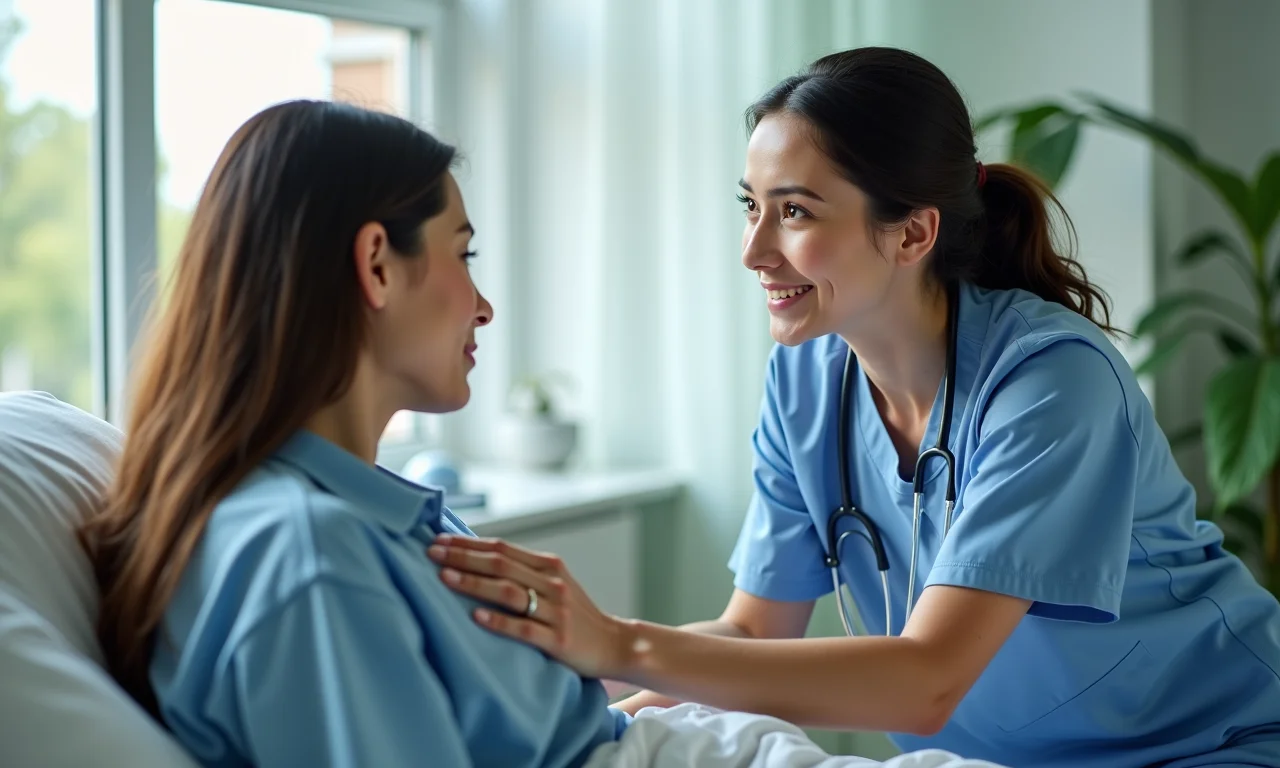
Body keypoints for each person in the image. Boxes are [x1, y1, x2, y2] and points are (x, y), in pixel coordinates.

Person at [426, 47, 1280, 768]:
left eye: (794, 212)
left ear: (912, 233)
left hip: (1215, 743)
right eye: (751, 207)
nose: (754, 250)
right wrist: (568, 708)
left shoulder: (1053, 382)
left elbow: (927, 678)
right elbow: (757, 632)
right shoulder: (804, 384)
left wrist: (617, 641)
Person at [78, 100, 631, 767]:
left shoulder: (363, 509)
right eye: (464, 253)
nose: (484, 306)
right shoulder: (311, 558)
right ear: (375, 264)